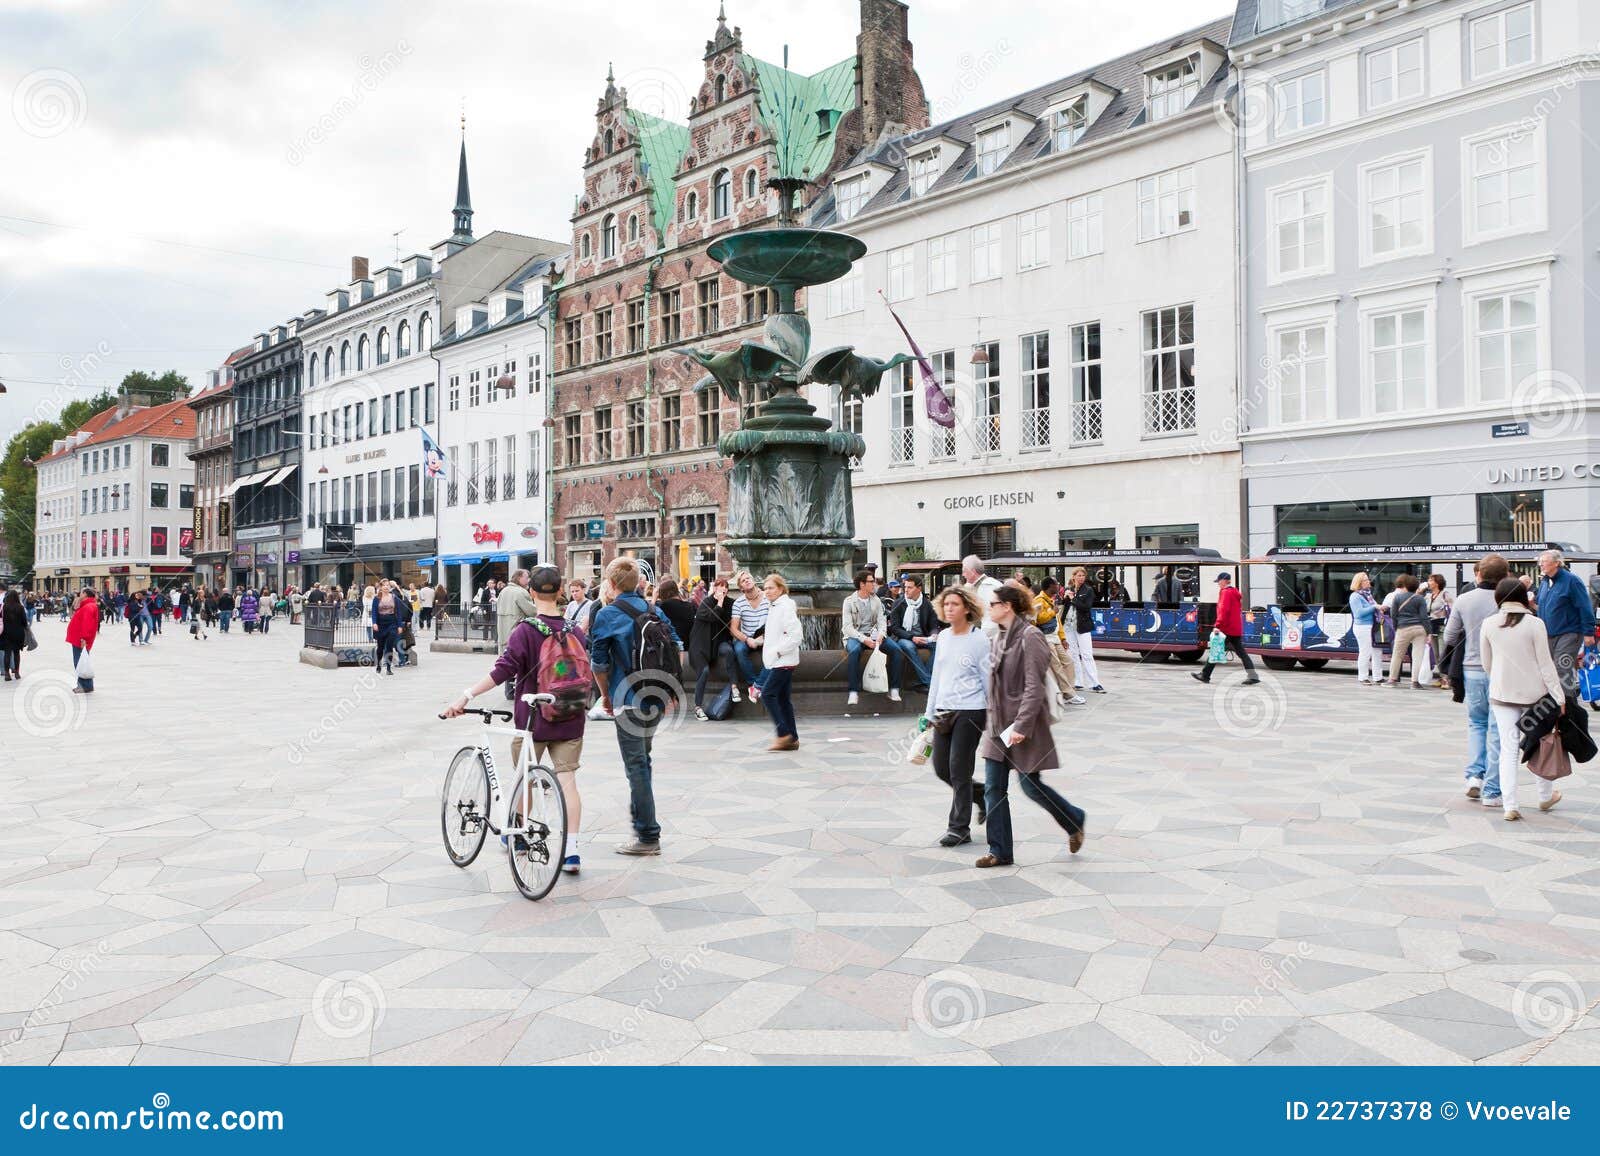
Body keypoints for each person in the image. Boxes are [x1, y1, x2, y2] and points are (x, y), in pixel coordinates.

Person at [444, 566, 588, 873]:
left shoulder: (527, 630)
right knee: (568, 783)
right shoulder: (575, 630)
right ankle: (572, 852)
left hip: (533, 722)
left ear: (532, 593)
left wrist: (466, 696)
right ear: (561, 591)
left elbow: (502, 671)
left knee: (526, 780)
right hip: (571, 716)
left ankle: (520, 838)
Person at [976, 584, 1087, 868]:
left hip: (1024, 725)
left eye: (993, 603)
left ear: (1007, 606)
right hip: (997, 725)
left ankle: (1074, 819)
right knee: (993, 789)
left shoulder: (1031, 636)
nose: (989, 608)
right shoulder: (999, 637)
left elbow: (1034, 687)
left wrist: (1022, 725)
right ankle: (999, 851)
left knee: (1029, 786)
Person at [588, 558, 681, 856]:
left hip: (626, 699)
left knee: (637, 766)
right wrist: (668, 689)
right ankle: (643, 821)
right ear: (639, 583)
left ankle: (648, 836)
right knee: (644, 760)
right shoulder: (655, 610)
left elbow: (599, 663)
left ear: (612, 585)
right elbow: (676, 646)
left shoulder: (607, 614)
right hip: (655, 697)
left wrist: (604, 695)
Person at [1480, 577, 1566, 821]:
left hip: (1502, 694)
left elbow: (1487, 663)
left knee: (1508, 750)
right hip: (1535, 696)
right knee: (1539, 744)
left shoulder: (1488, 624)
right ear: (1523, 596)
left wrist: (1498, 678)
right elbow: (1546, 664)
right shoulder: (1535, 624)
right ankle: (1544, 795)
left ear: (1499, 598)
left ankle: (1510, 805)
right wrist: (1558, 696)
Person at [925, 584, 991, 847]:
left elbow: (988, 679)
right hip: (944, 709)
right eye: (946, 604)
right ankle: (981, 793)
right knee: (942, 768)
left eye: (955, 604)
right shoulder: (943, 637)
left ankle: (959, 828)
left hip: (971, 710)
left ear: (967, 609)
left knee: (959, 768)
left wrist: (992, 714)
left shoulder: (979, 639)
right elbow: (937, 677)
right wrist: (929, 712)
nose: (949, 608)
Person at [1442, 553, 1510, 807]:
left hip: (1471, 668)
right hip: (1502, 669)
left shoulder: (1464, 599)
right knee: (1496, 728)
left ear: (1479, 573)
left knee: (1476, 724)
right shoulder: (1506, 599)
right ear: (1505, 575)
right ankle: (1492, 790)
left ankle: (1473, 776)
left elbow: (1449, 636)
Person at [1535, 547, 1595, 703]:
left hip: (1569, 632)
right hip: (1548, 634)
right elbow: (1542, 607)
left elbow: (1584, 606)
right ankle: (1555, 706)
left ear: (1556, 563)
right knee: (1549, 670)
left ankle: (1568, 708)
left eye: (1544, 562)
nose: (1541, 564)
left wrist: (1588, 632)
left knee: (1562, 668)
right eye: (1540, 562)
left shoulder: (1571, 581)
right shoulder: (1544, 582)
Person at [1192, 570, 1259, 686]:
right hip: (1235, 628)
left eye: (1219, 581)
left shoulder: (1225, 593)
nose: (1218, 584)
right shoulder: (1234, 592)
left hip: (1227, 628)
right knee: (1241, 653)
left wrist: (1217, 625)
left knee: (1216, 650)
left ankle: (1205, 675)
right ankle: (1253, 676)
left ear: (1224, 581)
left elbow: (1223, 610)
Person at [759, 572, 802, 751]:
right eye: (765, 588)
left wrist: (777, 652)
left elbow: (796, 635)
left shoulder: (784, 607)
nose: (767, 591)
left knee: (767, 694)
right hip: (781, 660)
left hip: (783, 660)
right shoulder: (775, 606)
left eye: (771, 588)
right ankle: (793, 738)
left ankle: (783, 735)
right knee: (783, 699)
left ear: (780, 589)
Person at [843, 569, 897, 706]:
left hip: (875, 636)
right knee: (854, 651)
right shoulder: (849, 601)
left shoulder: (877, 600)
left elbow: (882, 621)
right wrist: (864, 639)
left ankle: (894, 689)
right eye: (871, 581)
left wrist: (881, 635)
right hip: (856, 636)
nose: (874, 584)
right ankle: (853, 691)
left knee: (896, 650)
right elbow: (847, 627)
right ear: (862, 584)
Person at [689, 575, 738, 720]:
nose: (721, 591)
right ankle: (698, 707)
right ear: (714, 589)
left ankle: (734, 687)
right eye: (718, 587)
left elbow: (731, 620)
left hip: (717, 644)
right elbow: (713, 617)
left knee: (729, 651)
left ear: (727, 590)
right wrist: (720, 601)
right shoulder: (706, 602)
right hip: (700, 645)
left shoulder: (731, 603)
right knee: (703, 671)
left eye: (724, 588)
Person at [1032, 577, 1083, 707]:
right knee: (1056, 667)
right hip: (1046, 638)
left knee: (1068, 662)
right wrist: (1051, 611)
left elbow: (1058, 622)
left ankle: (1069, 691)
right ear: (1050, 586)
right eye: (1056, 584)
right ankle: (1068, 694)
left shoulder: (1051, 599)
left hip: (1055, 638)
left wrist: (1063, 638)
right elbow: (1037, 619)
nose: (1058, 586)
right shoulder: (1038, 600)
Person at [885, 575, 938, 691]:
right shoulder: (899, 603)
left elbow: (934, 624)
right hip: (904, 637)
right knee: (908, 647)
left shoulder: (927, 604)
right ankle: (930, 682)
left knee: (939, 646)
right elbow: (895, 628)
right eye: (905, 587)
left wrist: (934, 634)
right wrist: (912, 637)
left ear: (919, 589)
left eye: (910, 587)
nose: (906, 590)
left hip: (923, 637)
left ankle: (925, 680)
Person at [1064, 567, 1106, 693]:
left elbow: (1086, 607)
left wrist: (1072, 599)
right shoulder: (1069, 589)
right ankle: (1078, 681)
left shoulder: (1088, 590)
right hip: (1068, 625)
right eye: (1079, 575)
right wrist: (1065, 598)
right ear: (1074, 576)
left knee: (1087, 654)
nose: (1081, 577)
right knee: (1073, 654)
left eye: (1083, 575)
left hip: (1083, 625)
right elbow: (1064, 607)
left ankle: (1094, 683)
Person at [729, 570, 768, 699]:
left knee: (776, 653)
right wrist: (747, 639)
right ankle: (753, 685)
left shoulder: (768, 597)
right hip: (747, 638)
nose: (747, 580)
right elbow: (733, 629)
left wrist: (761, 639)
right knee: (739, 650)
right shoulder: (738, 603)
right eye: (743, 580)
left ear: (754, 580)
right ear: (741, 588)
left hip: (766, 637)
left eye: (748, 578)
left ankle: (758, 686)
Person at [1384, 574, 1430, 687]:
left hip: (1403, 628)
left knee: (1397, 654)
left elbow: (1393, 615)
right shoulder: (1420, 599)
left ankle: (1392, 680)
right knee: (1417, 656)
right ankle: (1415, 682)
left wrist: (1396, 627)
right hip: (1419, 629)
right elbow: (1424, 617)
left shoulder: (1397, 597)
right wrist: (1428, 632)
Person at [1349, 572, 1381, 684]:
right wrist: (1374, 607)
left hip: (1372, 626)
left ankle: (1378, 677)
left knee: (1376, 651)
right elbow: (1359, 613)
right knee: (1365, 652)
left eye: (1368, 579)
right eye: (1366, 580)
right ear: (1359, 583)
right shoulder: (1355, 596)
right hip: (1362, 627)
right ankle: (1363, 677)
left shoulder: (1368, 595)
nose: (1369, 581)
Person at [66, 588, 99, 693]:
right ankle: (88, 686)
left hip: (80, 639)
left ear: (85, 594)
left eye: (81, 593)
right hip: (79, 638)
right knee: (83, 662)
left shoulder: (88, 607)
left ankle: (83, 686)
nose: (79, 595)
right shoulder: (87, 605)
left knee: (80, 663)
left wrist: (84, 638)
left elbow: (87, 624)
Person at [496, 568, 538, 649]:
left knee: (504, 659)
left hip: (502, 636)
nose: (528, 580)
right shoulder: (520, 592)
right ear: (519, 578)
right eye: (526, 578)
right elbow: (533, 612)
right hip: (517, 636)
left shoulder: (503, 591)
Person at [1425, 573, 1454, 688]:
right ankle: (1442, 677)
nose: (1428, 582)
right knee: (1436, 654)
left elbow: (1452, 609)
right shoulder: (1428, 596)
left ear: (1437, 583)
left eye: (1431, 580)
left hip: (1442, 626)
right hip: (1432, 626)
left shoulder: (1445, 594)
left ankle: (1447, 679)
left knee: (1443, 652)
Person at [654, 580, 696, 657]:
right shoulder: (690, 606)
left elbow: (649, 617)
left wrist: (654, 598)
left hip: (671, 647)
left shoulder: (664, 606)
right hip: (688, 647)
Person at [0, 590, 26, 682]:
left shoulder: (4, 607)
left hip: (6, 633)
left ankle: (7, 674)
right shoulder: (20, 607)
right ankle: (17, 672)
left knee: (7, 653)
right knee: (16, 653)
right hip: (18, 633)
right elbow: (24, 622)